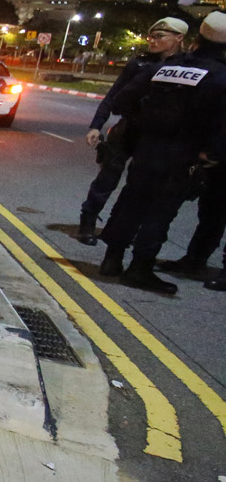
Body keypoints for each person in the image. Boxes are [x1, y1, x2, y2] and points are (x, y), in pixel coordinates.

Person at [97, 17, 226, 294]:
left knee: (131, 202)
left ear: (197, 39)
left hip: (148, 148)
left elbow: (122, 101)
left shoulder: (167, 67)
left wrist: (146, 124)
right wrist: (212, 153)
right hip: (184, 153)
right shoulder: (220, 76)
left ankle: (112, 259)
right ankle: (140, 268)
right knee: (160, 211)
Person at [76, 17, 187, 245]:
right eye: (151, 37)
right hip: (129, 128)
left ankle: (117, 228)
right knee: (108, 176)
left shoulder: (187, 67)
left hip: (157, 136)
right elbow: (114, 95)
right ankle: (88, 221)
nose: (153, 41)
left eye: (160, 37)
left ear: (179, 38)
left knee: (139, 184)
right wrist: (96, 125)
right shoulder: (140, 64)